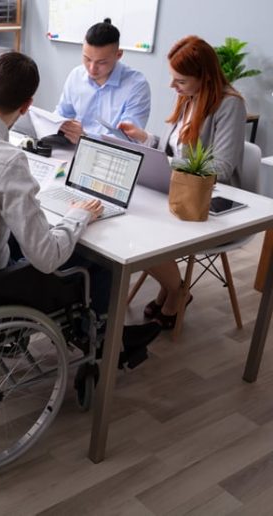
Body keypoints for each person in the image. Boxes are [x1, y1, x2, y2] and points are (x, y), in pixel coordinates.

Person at [0, 51, 161, 359]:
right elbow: (47, 259)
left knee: (28, 235)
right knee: (98, 260)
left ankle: (93, 334)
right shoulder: (6, 159)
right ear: (27, 105)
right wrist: (77, 216)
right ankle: (102, 343)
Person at [119, 35, 247, 328]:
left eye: (180, 80)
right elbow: (173, 150)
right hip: (177, 191)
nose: (172, 86)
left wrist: (167, 165)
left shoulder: (230, 105)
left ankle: (177, 290)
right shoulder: (189, 97)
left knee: (139, 233)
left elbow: (222, 168)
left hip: (208, 202)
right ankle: (173, 287)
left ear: (204, 76)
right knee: (128, 221)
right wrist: (145, 139)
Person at [55, 19, 150, 144]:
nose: (92, 68)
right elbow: (61, 115)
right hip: (72, 148)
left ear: (118, 55)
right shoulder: (76, 75)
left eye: (101, 62)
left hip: (112, 157)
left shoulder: (136, 85)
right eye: (87, 59)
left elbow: (129, 140)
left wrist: (85, 138)